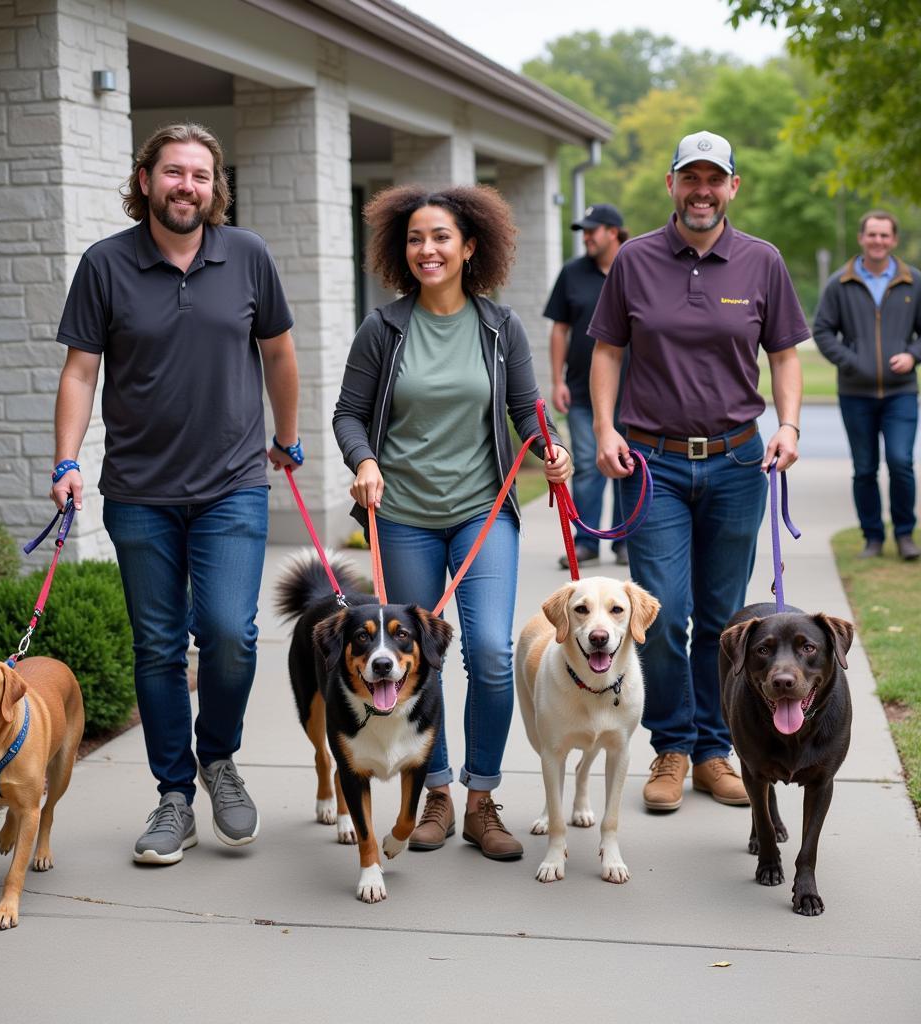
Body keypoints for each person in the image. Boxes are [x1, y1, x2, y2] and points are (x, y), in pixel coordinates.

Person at [50, 123, 302, 865]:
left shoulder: (247, 255)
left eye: (199, 174)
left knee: (229, 631)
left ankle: (218, 757)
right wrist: (64, 460)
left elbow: (280, 353)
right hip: (139, 490)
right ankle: (173, 796)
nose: (186, 186)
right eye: (173, 172)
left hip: (232, 485)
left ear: (214, 186)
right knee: (158, 647)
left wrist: (287, 439)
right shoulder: (105, 265)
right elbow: (79, 372)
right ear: (146, 178)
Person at [333, 184, 572, 860]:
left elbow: (527, 409)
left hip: (481, 509)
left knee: (492, 654)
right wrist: (365, 460)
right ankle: (433, 792)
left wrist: (549, 447)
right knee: (419, 660)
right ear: (400, 251)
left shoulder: (501, 328)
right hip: (402, 514)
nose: (427, 249)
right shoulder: (384, 328)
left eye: (441, 237)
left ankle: (481, 799)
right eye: (415, 239)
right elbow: (348, 414)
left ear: (471, 247)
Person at [589, 130, 810, 813]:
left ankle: (716, 750)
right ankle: (672, 747)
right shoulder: (634, 260)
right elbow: (605, 352)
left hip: (739, 460)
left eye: (716, 179)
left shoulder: (762, 262)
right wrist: (603, 430)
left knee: (723, 618)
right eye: (692, 177)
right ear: (672, 184)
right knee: (659, 614)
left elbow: (785, 357)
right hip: (651, 461)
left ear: (733, 187)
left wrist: (790, 427)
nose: (703, 190)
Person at [814, 210, 921, 561]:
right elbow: (823, 331)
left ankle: (905, 534)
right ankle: (872, 537)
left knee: (901, 461)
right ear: (862, 238)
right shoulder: (839, 284)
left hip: (901, 392)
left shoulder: (913, 282)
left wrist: (913, 355)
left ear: (893, 240)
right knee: (864, 468)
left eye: (884, 235)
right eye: (871, 235)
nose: (877, 241)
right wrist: (851, 360)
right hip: (855, 394)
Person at [544, 202, 630, 568]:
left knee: (629, 465)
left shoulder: (636, 267)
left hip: (633, 394)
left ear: (613, 232)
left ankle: (626, 540)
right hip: (581, 391)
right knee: (588, 464)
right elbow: (560, 329)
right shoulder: (572, 273)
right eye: (584, 231)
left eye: (593, 230)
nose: (587, 237)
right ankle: (588, 541)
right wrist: (556, 379)